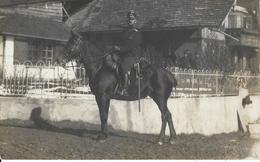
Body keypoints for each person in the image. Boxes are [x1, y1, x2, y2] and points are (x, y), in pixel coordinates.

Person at [115, 10, 143, 95]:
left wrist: (120, 49)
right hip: (123, 55)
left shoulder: (137, 33)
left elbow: (131, 46)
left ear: (135, 20)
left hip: (133, 56)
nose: (130, 21)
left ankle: (125, 88)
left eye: (132, 19)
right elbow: (120, 42)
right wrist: (115, 46)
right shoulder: (124, 32)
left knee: (123, 66)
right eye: (129, 19)